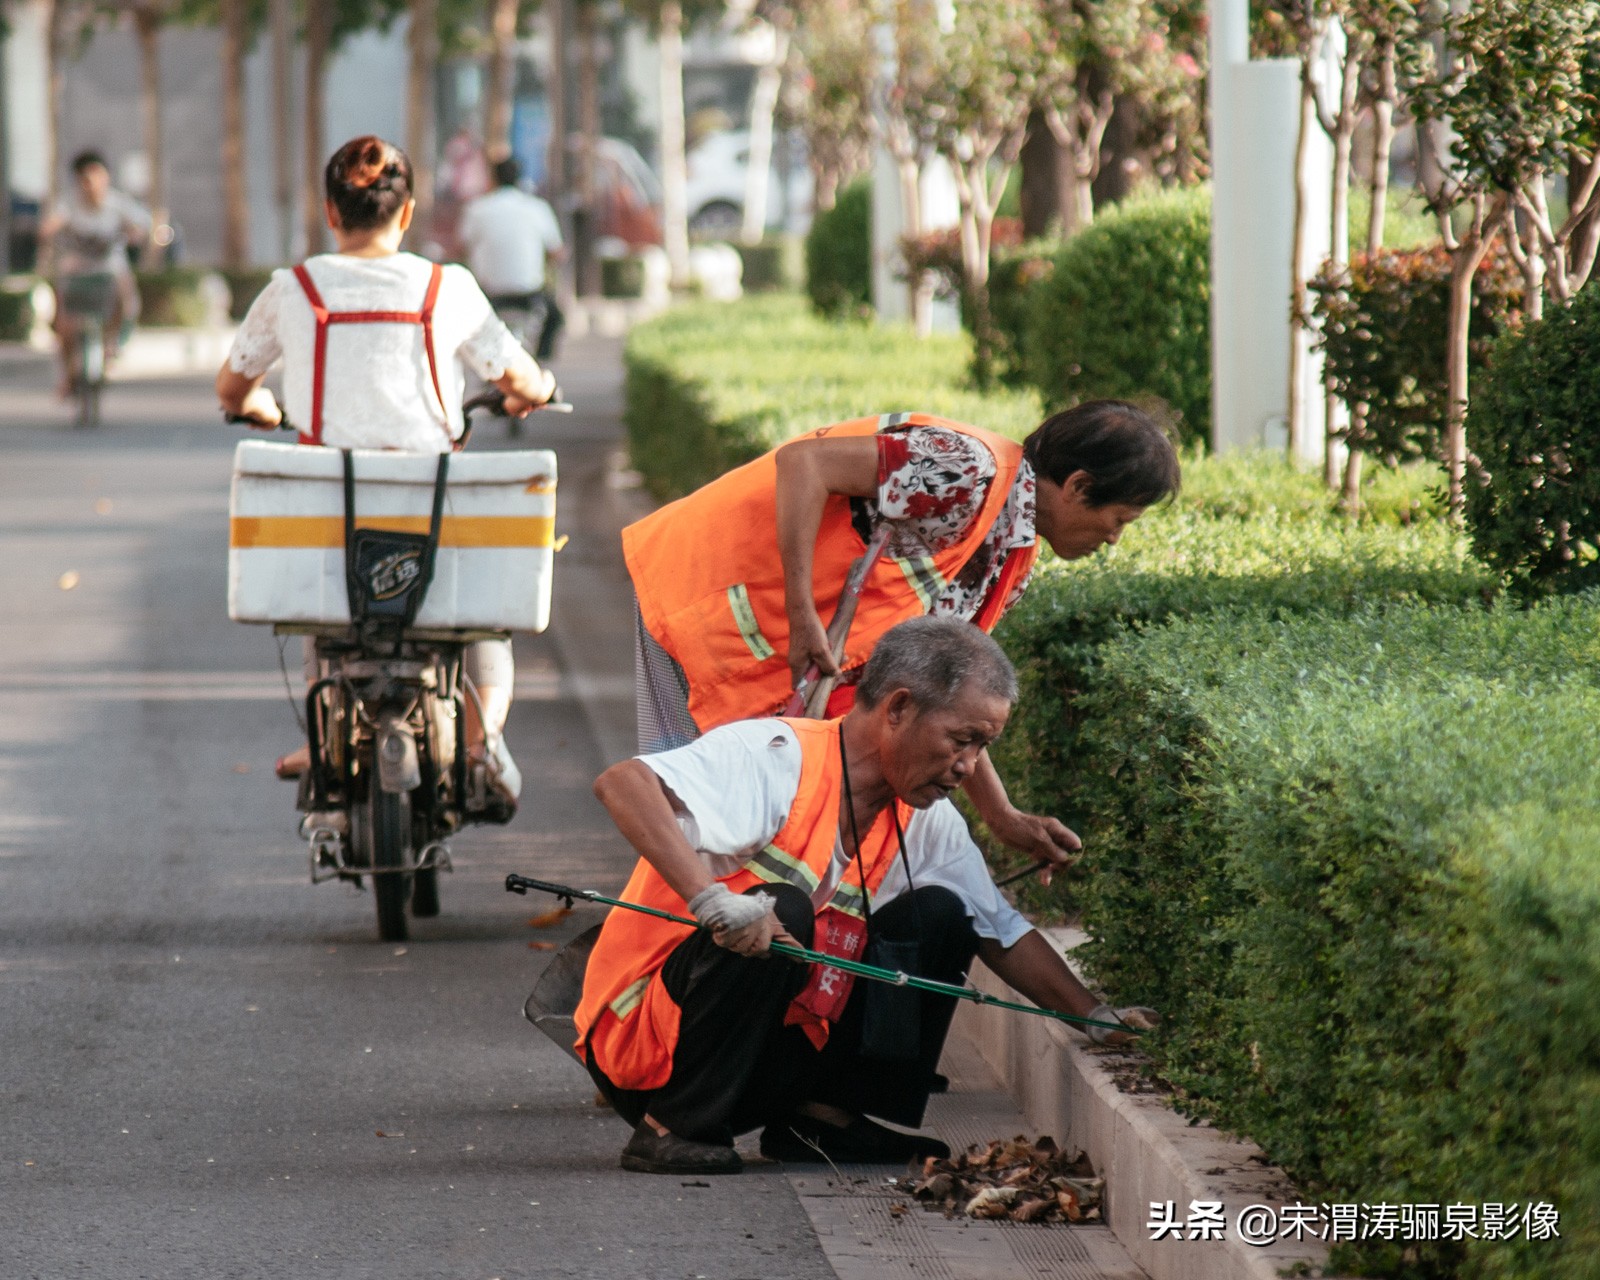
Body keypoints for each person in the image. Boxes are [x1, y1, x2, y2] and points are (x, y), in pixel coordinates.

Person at [576, 616, 1159, 1175]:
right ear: (898, 708)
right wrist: (712, 903)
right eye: (962, 740)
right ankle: (672, 1128)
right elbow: (623, 783)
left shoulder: (924, 815)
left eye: (983, 747)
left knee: (942, 914)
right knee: (783, 907)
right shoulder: (775, 756)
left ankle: (820, 1120)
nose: (969, 766)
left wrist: (1095, 1018)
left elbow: (1000, 932)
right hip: (649, 1051)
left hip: (759, 1057)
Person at [626, 401, 1181, 873]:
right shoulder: (968, 470)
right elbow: (805, 463)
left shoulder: (1011, 555)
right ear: (1079, 486)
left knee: (725, 828)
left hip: (762, 659)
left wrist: (1004, 817)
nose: (1114, 539)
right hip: (700, 605)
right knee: (682, 809)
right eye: (1120, 520)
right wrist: (802, 615)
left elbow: (950, 696)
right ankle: (651, 945)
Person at [215, 135, 557, 816]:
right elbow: (520, 379)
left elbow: (232, 387)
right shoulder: (446, 287)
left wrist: (258, 407)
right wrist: (537, 390)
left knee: (324, 610)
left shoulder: (293, 289)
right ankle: (482, 741)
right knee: (484, 619)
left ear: (330, 212)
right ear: (407, 213)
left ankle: (323, 736)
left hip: (330, 512)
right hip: (431, 507)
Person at [40, 151, 151, 396]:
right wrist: (49, 231)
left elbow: (143, 225)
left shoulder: (117, 204)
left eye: (97, 178)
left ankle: (113, 347)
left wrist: (135, 234)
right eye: (86, 179)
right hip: (76, 269)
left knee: (127, 299)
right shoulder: (69, 205)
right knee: (64, 321)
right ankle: (66, 375)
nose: (93, 185)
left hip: (109, 268)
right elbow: (51, 224)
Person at [458, 157, 566, 362]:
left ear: (492, 179)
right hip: (529, 293)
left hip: (489, 294)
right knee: (555, 319)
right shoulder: (537, 208)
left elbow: (461, 248)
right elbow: (557, 253)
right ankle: (540, 363)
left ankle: (479, 360)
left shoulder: (477, 209)